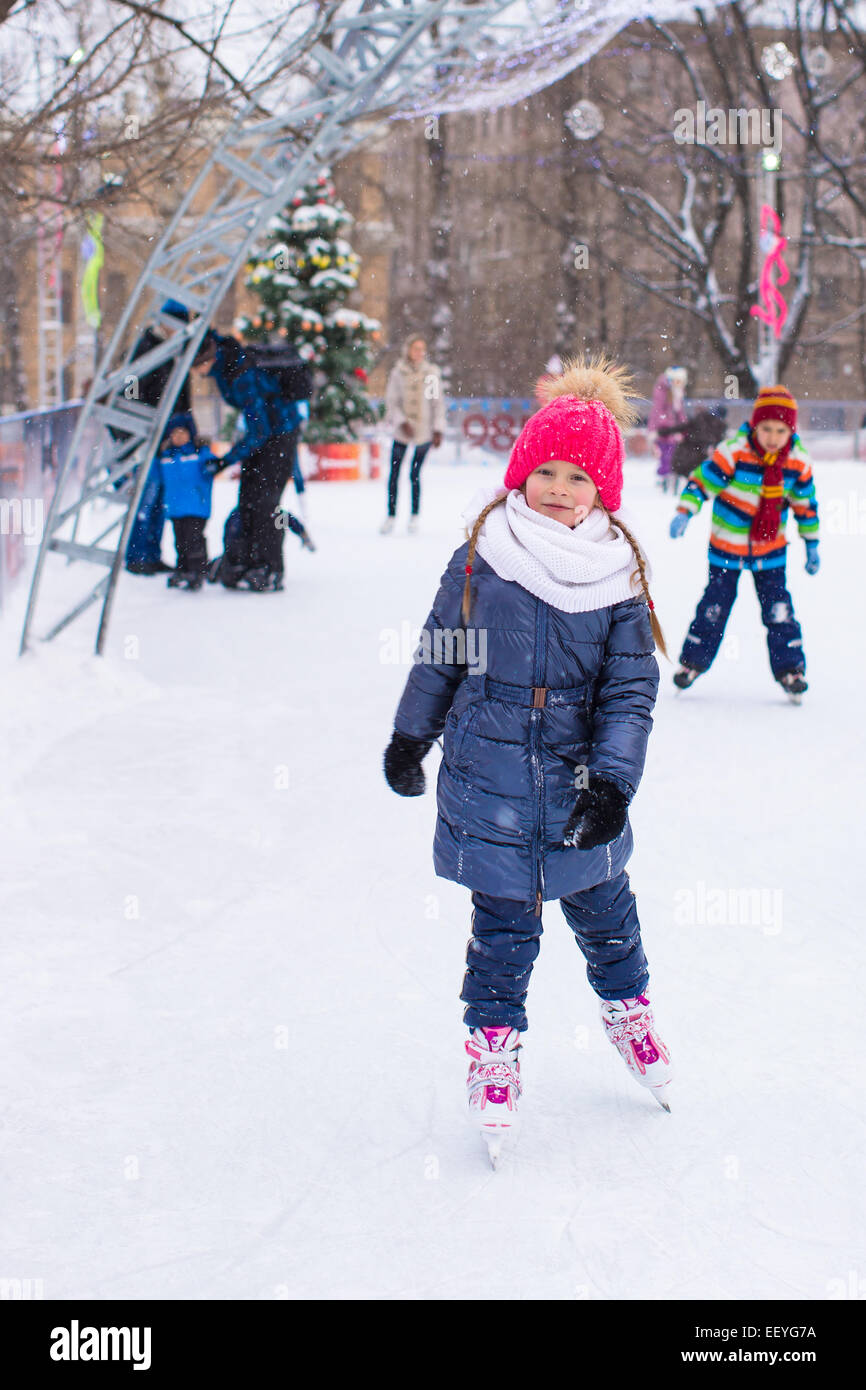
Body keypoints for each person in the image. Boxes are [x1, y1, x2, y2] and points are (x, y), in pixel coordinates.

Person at [382, 355, 672, 1165]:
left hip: (582, 792)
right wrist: (413, 736)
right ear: (520, 472)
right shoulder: (485, 553)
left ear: (602, 490)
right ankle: (494, 1057)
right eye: (543, 469)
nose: (556, 486)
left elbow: (629, 694)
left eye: (577, 476)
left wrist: (613, 783)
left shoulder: (620, 575)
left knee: (609, 919)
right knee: (502, 935)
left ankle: (630, 1012)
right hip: (491, 783)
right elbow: (440, 653)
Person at [670, 385, 819, 700]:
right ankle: (692, 663)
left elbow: (806, 506)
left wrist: (811, 544)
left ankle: (791, 669)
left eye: (780, 430)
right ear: (755, 425)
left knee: (779, 611)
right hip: (727, 550)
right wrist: (685, 511)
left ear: (790, 429)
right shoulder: (734, 452)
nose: (773, 437)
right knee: (714, 608)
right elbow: (702, 481)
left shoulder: (797, 462)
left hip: (771, 553)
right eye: (766, 428)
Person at [190, 330, 312, 591]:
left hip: (280, 436)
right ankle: (242, 562)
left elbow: (260, 429)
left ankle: (270, 568)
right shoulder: (226, 367)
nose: (195, 372)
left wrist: (226, 460)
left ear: (206, 359)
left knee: (265, 504)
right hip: (265, 437)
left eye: (195, 366)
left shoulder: (240, 373)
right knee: (247, 500)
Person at [123, 299, 195, 575]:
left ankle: (150, 552)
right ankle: (139, 554)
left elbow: (180, 396)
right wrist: (139, 429)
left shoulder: (174, 351)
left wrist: (184, 427)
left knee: (160, 499)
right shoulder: (148, 350)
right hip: (145, 437)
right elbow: (132, 393)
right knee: (147, 497)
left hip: (163, 437)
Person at [152, 412, 229, 590]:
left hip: (196, 505)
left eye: (183, 433)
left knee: (194, 539)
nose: (179, 437)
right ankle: (183, 568)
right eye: (175, 433)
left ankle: (197, 570)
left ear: (190, 434)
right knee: (179, 540)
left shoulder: (200, 453)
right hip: (175, 506)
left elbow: (212, 465)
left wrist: (212, 465)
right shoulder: (166, 456)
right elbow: (155, 475)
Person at [380, 334, 445, 535]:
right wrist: (401, 421)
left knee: (414, 474)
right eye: (415, 348)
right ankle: (391, 516)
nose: (419, 352)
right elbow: (391, 401)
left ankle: (414, 516)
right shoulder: (397, 373)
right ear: (408, 350)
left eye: (422, 348)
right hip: (402, 431)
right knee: (394, 474)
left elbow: (437, 402)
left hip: (424, 431)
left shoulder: (431, 373)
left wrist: (438, 428)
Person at [656, 405, 728, 496]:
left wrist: (666, 431)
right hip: (700, 452)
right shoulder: (720, 426)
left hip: (687, 447)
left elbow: (684, 426)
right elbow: (719, 442)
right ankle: (690, 491)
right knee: (692, 473)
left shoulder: (701, 418)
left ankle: (671, 486)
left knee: (677, 469)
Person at [648, 366, 688, 492]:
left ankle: (671, 477)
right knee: (666, 456)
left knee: (674, 456)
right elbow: (658, 411)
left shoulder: (677, 393)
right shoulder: (662, 391)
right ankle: (664, 479)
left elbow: (680, 412)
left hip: (674, 431)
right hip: (663, 431)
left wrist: (684, 427)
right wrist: (661, 427)